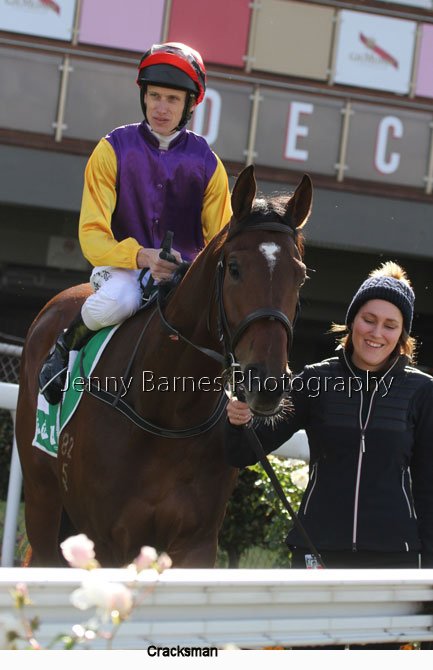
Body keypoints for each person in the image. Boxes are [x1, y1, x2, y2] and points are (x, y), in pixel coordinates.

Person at [39, 42, 232, 405]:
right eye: (154, 95)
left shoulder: (209, 165)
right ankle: (65, 345)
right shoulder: (111, 149)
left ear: (190, 105)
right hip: (120, 271)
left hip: (182, 278)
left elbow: (221, 240)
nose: (161, 107)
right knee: (121, 300)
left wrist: (185, 269)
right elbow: (92, 237)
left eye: (172, 99)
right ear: (143, 96)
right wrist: (142, 256)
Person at [226, 261, 433, 575]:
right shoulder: (315, 381)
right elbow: (243, 452)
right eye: (369, 320)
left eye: (390, 325)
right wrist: (238, 420)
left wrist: (429, 570)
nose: (377, 333)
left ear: (402, 333)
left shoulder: (422, 391)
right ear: (352, 321)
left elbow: (428, 489)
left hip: (395, 558)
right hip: (317, 550)